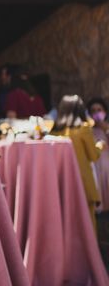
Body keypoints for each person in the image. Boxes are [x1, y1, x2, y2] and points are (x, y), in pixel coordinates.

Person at [52, 95, 104, 231]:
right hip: (84, 184)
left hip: (62, 183)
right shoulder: (83, 129)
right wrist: (100, 145)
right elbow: (93, 156)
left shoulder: (54, 132)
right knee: (88, 227)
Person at [88, 98, 109, 212]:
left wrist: (106, 129)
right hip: (96, 168)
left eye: (99, 110)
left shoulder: (107, 127)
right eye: (93, 110)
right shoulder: (88, 131)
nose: (96, 113)